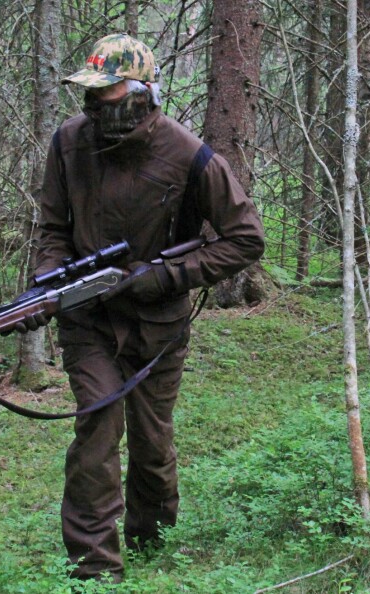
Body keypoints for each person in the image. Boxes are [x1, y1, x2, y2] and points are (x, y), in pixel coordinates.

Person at [31, 33, 265, 581]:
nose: (95, 102)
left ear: (141, 92)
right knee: (97, 430)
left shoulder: (189, 154)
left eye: (107, 91)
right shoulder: (68, 141)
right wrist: (49, 282)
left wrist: (161, 277)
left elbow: (245, 239)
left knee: (153, 442)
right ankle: (94, 570)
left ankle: (152, 540)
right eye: (91, 91)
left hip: (159, 324)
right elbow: (53, 228)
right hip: (88, 320)